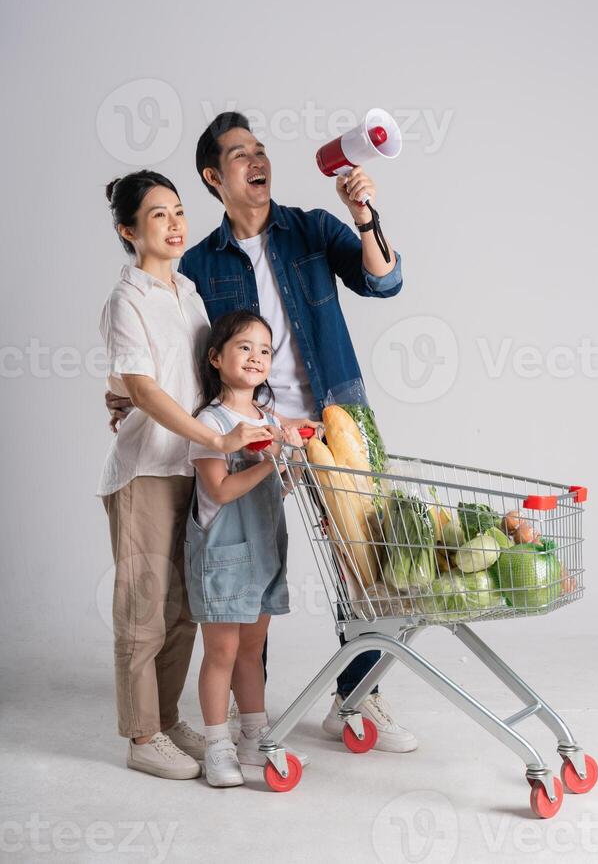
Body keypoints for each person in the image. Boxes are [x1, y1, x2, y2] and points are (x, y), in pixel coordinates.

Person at [107, 112, 417, 752]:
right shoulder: (196, 267)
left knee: (361, 566)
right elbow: (188, 351)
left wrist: (364, 214)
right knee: (249, 564)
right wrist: (125, 390)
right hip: (252, 434)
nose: (258, 160)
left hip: (333, 421)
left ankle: (357, 697)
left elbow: (384, 280)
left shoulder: (310, 228)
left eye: (261, 149)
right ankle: (254, 717)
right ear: (213, 177)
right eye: (239, 154)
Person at [98, 170, 275, 780]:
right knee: (144, 607)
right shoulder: (127, 300)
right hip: (147, 471)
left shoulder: (191, 294)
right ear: (128, 230)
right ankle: (142, 734)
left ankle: (169, 720)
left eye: (178, 211)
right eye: (157, 215)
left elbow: (201, 371)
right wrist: (216, 439)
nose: (175, 224)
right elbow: (146, 388)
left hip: (194, 473)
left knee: (183, 609)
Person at [185, 309, 308, 787]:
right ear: (216, 357)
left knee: (252, 651)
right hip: (223, 555)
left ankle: (254, 736)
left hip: (263, 550)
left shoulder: (269, 419)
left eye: (264, 350)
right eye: (244, 347)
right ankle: (217, 743)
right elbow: (219, 490)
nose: (256, 357)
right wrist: (269, 459)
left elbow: (280, 487)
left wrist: (295, 460)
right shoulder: (210, 421)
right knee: (222, 651)